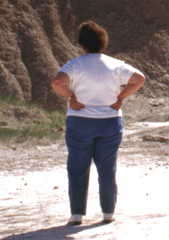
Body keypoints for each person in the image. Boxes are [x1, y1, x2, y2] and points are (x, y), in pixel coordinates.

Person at [50, 21, 147, 225]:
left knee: (77, 168)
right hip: (110, 122)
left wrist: (71, 98)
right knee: (107, 168)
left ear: (82, 44)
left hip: (80, 122)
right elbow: (139, 78)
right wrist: (121, 98)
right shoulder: (115, 64)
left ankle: (77, 214)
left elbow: (57, 82)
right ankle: (108, 213)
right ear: (103, 42)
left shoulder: (75, 64)